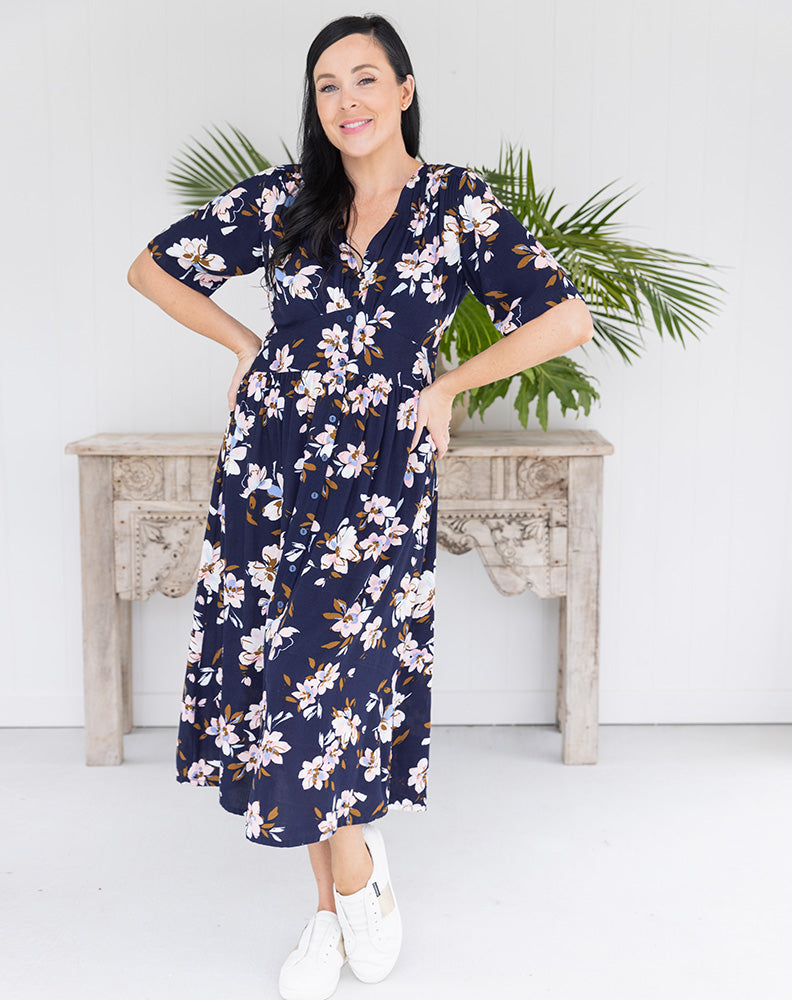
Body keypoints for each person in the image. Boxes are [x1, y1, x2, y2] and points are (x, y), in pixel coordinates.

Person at [128, 12, 592, 1000]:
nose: (348, 100)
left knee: (329, 678)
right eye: (328, 85)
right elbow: (153, 268)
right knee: (287, 680)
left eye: (366, 78)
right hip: (272, 463)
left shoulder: (456, 203)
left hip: (379, 471)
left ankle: (346, 890)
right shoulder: (289, 199)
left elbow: (565, 317)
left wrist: (449, 385)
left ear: (405, 90)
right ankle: (344, 897)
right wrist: (246, 347)